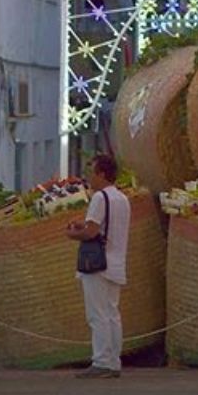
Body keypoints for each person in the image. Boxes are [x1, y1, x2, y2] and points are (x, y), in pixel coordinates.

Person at [66, 154, 130, 379]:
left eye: (91, 172)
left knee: (97, 314)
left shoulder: (99, 198)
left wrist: (73, 233)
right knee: (112, 313)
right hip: (116, 262)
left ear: (102, 174)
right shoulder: (122, 198)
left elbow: (92, 231)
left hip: (97, 264)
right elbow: (107, 227)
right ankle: (113, 361)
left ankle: (101, 361)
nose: (88, 177)